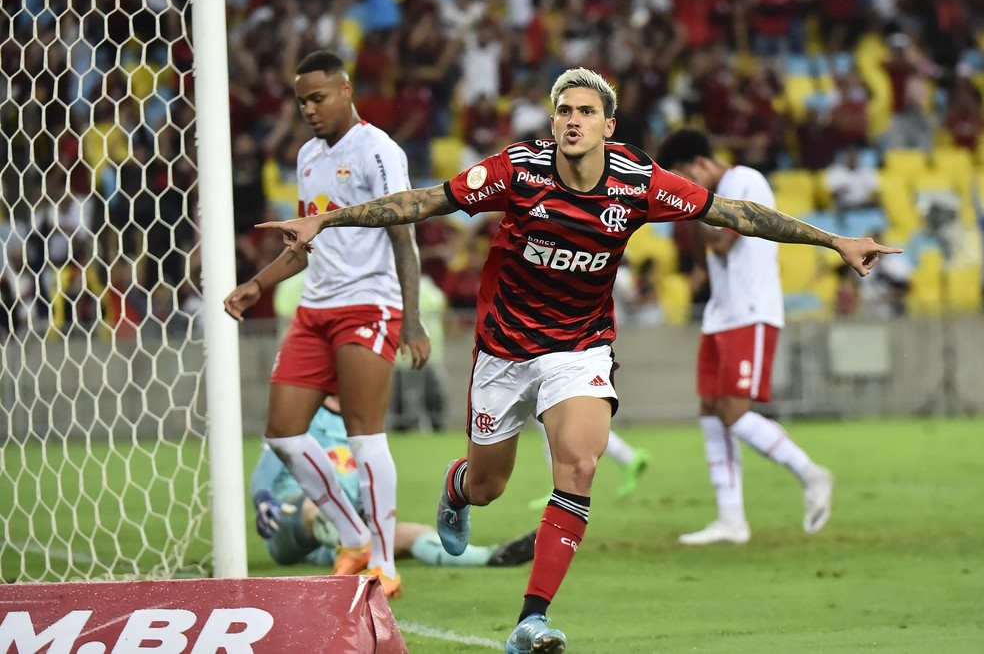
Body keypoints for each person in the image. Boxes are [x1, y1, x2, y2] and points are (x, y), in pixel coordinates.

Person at [257, 67, 900, 654]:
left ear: (607, 125)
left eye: (585, 111)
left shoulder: (639, 181)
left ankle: (531, 618)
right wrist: (330, 221)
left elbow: (736, 213)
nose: (571, 119)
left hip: (580, 346)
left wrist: (834, 240)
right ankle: (456, 492)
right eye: (563, 109)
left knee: (582, 462)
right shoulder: (518, 171)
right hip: (504, 348)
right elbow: (425, 201)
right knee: (489, 485)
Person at [223, 50, 431, 599]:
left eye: (318, 98)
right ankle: (353, 537)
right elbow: (304, 245)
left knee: (365, 435)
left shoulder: (379, 150)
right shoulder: (308, 156)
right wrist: (258, 283)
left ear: (345, 90)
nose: (310, 110)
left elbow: (403, 234)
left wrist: (411, 318)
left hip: (370, 304)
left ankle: (385, 564)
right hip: (315, 308)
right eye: (301, 102)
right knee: (284, 434)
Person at [655, 128, 836, 546]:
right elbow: (703, 258)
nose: (684, 187)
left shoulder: (744, 182)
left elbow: (721, 243)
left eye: (684, 176)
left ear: (700, 164)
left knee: (734, 411)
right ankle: (731, 519)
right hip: (722, 311)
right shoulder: (711, 195)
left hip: (752, 311)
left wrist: (695, 210)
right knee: (709, 409)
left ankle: (811, 474)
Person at [250, 396, 536, 572]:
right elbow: (264, 471)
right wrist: (263, 498)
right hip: (291, 523)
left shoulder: (364, 419)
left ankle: (492, 557)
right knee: (318, 506)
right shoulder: (303, 413)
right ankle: (359, 547)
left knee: (412, 534)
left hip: (347, 532)